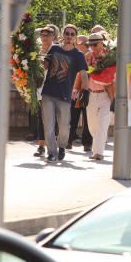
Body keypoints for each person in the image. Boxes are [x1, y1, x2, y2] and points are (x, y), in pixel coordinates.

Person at [39, 24, 87, 163]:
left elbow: (84, 74)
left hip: (65, 95)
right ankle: (52, 152)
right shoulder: (54, 48)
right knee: (48, 125)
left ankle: (61, 146)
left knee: (65, 126)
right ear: (63, 35)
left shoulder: (78, 55)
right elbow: (45, 65)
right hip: (48, 92)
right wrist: (33, 61)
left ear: (75, 38)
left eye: (72, 34)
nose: (69, 36)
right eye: (67, 33)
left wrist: (86, 91)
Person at [85, 33, 113, 161]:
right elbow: (82, 74)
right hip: (91, 94)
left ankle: (98, 152)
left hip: (105, 95)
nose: (92, 47)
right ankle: (99, 142)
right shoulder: (88, 57)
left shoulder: (109, 57)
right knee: (92, 125)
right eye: (90, 45)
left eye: (95, 44)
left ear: (102, 43)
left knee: (102, 123)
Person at [32, 26, 56, 158]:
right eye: (42, 35)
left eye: (47, 34)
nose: (44, 37)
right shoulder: (36, 51)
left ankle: (53, 146)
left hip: (54, 88)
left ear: (53, 36)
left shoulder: (57, 50)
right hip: (40, 88)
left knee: (53, 119)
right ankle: (41, 146)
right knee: (41, 118)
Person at [69, 34, 93, 152]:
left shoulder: (89, 56)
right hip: (75, 90)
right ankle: (69, 141)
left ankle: (87, 143)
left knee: (86, 118)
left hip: (85, 90)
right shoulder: (77, 54)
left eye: (79, 43)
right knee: (73, 116)